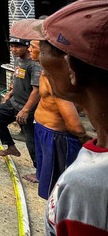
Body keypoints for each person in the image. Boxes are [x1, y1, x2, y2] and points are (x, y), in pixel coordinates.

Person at [10, 0, 108, 235]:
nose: (38, 55)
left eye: (43, 48)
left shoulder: (88, 187)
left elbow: (74, 124)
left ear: (70, 68)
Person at [22, 39, 90, 197]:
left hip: (57, 136)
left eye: (33, 47)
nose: (29, 49)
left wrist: (84, 137)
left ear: (46, 52)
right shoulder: (44, 71)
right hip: (43, 129)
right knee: (51, 182)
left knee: (61, 189)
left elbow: (73, 124)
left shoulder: (57, 78)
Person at [0, 37, 40, 173]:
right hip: (14, 103)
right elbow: (17, 79)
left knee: (31, 142)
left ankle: (39, 172)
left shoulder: (34, 65)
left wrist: (25, 110)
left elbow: (37, 90)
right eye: (11, 46)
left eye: (16, 47)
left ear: (27, 47)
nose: (13, 49)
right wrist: (9, 94)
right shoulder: (18, 60)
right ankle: (11, 147)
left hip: (28, 109)